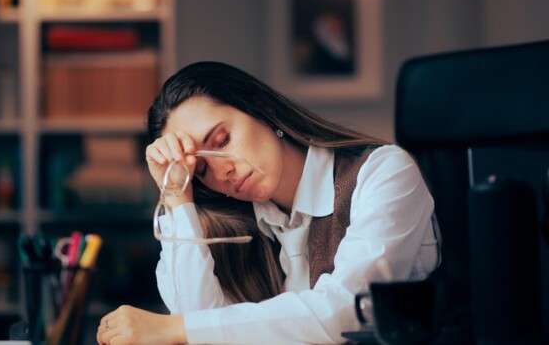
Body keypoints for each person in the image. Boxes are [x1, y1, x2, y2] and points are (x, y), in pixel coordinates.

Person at [97, 61, 440, 344]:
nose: (223, 170)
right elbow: (200, 321)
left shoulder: (383, 172)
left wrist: (174, 329)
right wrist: (176, 195)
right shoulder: (243, 224)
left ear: (260, 108)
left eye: (222, 139)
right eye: (201, 169)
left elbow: (349, 310)